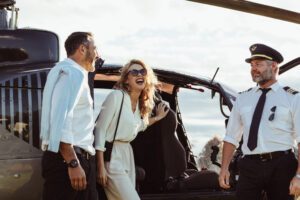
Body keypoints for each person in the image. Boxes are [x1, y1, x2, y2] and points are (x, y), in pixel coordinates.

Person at [218, 43, 300, 200]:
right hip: (250, 166)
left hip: (281, 165)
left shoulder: (293, 98)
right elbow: (231, 137)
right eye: (252, 65)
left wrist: (299, 175)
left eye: (259, 65)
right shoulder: (243, 98)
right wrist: (224, 169)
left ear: (274, 66)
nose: (254, 69)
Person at [95, 59, 169, 200]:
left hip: (127, 154)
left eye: (142, 72)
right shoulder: (116, 96)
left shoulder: (137, 105)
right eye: (134, 72)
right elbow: (100, 130)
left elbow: (139, 126)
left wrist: (158, 118)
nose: (139, 75)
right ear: (126, 80)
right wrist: (100, 167)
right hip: (112, 155)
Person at [40, 32, 99, 200]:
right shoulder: (73, 73)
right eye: (94, 49)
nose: (97, 54)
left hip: (76, 159)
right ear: (82, 49)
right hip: (68, 161)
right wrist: (73, 163)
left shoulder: (67, 72)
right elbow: (61, 119)